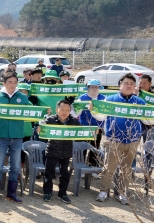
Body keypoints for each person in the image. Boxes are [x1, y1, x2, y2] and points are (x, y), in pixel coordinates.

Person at [92, 73, 145, 204]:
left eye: (132, 84)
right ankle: (104, 191)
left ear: (135, 87)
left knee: (126, 169)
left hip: (133, 140)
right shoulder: (109, 99)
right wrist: (94, 111)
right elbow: (101, 118)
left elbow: (146, 120)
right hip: (114, 139)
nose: (129, 86)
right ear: (119, 85)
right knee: (109, 167)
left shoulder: (140, 102)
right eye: (126, 83)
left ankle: (122, 193)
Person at [0, 73, 29, 203]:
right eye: (10, 82)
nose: (12, 84)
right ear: (4, 83)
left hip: (17, 137)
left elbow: (31, 111)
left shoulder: (22, 97)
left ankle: (11, 193)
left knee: (15, 167)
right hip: (1, 137)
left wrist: (45, 112)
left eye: (15, 82)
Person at [41, 100, 79, 203]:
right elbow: (42, 132)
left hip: (66, 151)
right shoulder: (50, 120)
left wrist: (93, 132)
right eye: (62, 110)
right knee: (49, 173)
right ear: (57, 110)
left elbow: (81, 134)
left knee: (65, 174)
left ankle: (62, 193)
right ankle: (47, 192)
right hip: (52, 150)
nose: (65, 112)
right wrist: (40, 129)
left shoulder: (74, 121)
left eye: (67, 110)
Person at [77, 78, 105, 173]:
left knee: (95, 148)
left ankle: (92, 169)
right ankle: (80, 169)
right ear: (88, 88)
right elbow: (76, 112)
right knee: (82, 148)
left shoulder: (103, 98)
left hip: (98, 128)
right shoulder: (81, 98)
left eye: (96, 87)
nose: (94, 89)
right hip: (84, 127)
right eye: (92, 87)